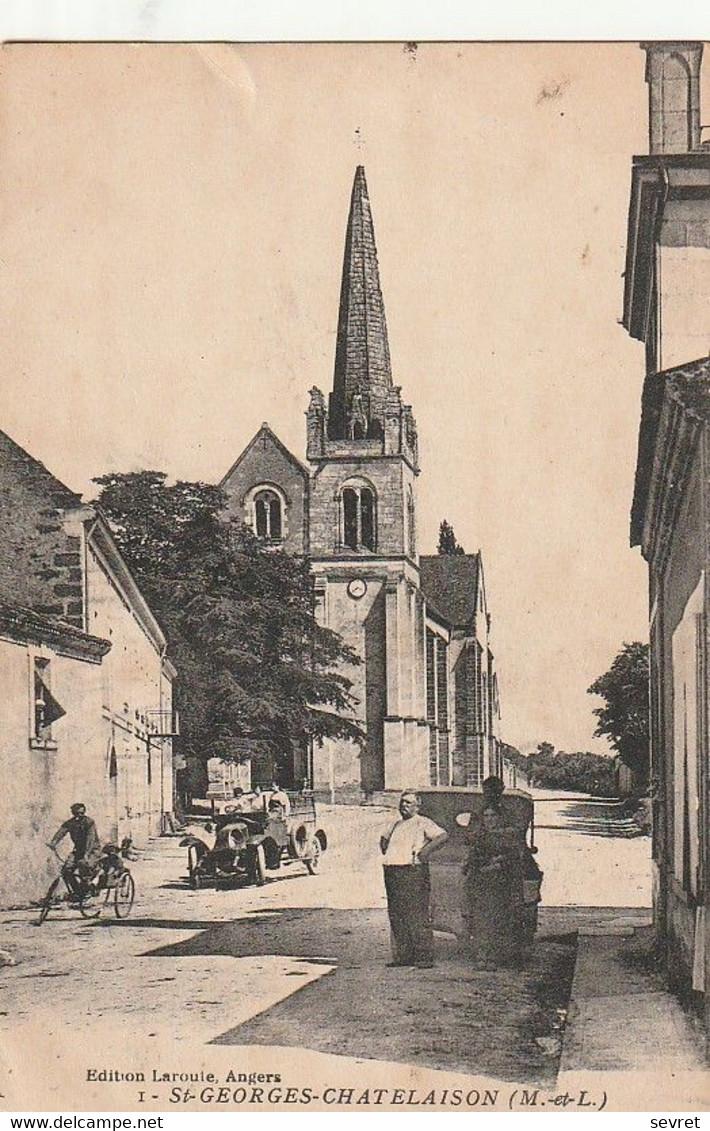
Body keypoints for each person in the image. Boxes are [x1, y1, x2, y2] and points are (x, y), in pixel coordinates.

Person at [380, 790, 448, 969]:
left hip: (412, 872)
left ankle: (424, 958)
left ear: (417, 806)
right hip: (393, 872)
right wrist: (388, 854)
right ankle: (403, 956)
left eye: (409, 803)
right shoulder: (395, 824)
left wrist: (424, 852)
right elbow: (383, 839)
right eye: (402, 802)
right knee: (397, 915)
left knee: (417, 915)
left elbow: (442, 836)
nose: (404, 806)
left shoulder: (422, 822)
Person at [463, 805, 525, 968]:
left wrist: (498, 864)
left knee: (497, 920)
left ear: (499, 818)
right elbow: (472, 859)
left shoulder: (507, 837)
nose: (489, 819)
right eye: (486, 816)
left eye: (493, 816)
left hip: (499, 884)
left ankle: (493, 958)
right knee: (480, 920)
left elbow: (513, 859)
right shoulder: (478, 837)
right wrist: (485, 864)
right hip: (480, 883)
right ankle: (481, 956)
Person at [48, 803, 102, 902]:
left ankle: (88, 887)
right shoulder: (70, 823)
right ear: (73, 813)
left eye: (81, 813)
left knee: (84, 865)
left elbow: (90, 839)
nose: (79, 816)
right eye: (76, 813)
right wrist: (53, 843)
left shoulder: (89, 822)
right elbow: (61, 832)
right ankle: (78, 892)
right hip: (78, 850)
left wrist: (86, 854)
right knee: (66, 870)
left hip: (93, 850)